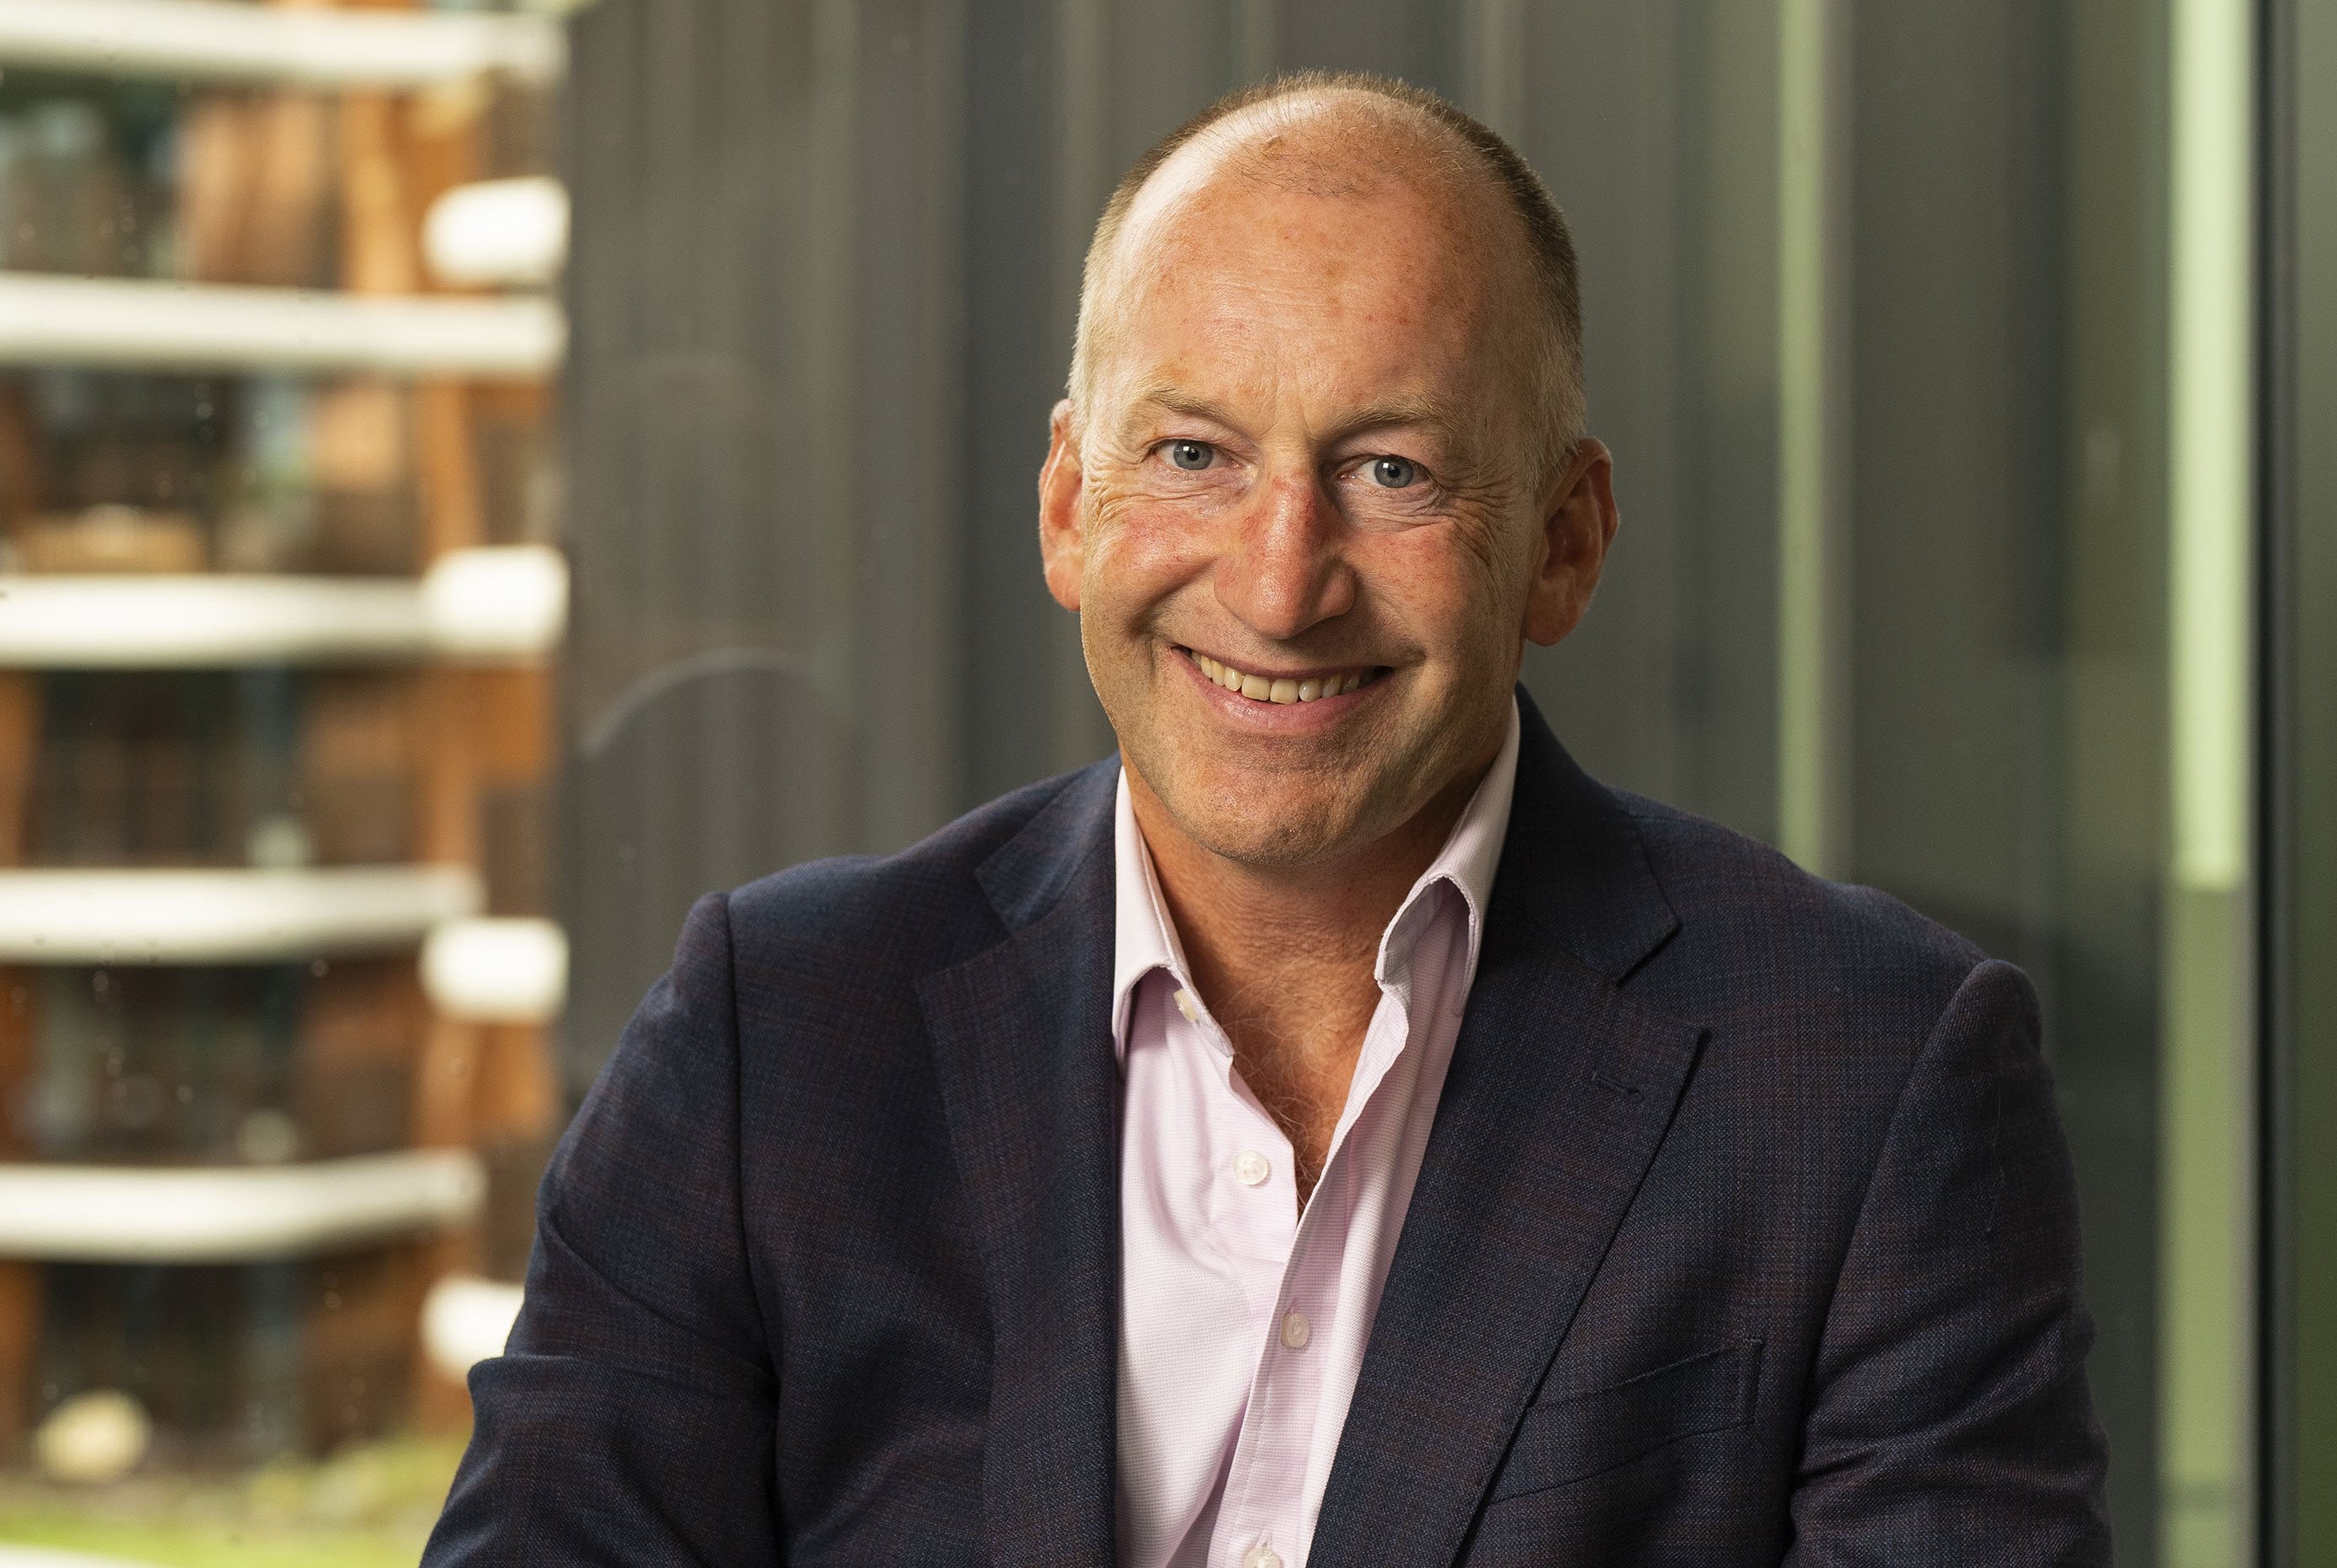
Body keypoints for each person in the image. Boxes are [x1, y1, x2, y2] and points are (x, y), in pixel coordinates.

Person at [426, 70, 2108, 1567]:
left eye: (1391, 470)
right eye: (1193, 453)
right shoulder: (772, 1036)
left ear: (1567, 541)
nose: (1280, 579)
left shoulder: (1866, 1078)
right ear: (1069, 507)